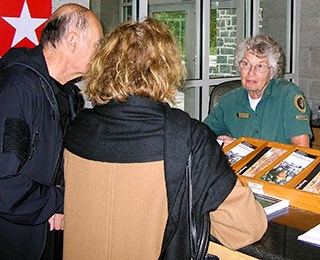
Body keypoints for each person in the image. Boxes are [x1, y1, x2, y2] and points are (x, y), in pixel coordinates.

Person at [63, 18, 267, 259]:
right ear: (167, 68)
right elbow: (247, 228)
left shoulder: (78, 126)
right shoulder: (187, 136)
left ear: (103, 65)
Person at [0, 3, 103, 260]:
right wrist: (58, 201)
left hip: (43, 231)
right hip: (16, 242)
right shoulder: (18, 90)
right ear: (72, 41)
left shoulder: (64, 94)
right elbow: (4, 183)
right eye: (98, 44)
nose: (101, 54)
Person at [204, 35, 312, 148]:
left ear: (272, 72)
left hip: (276, 166)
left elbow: (301, 150)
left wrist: (241, 148)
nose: (251, 72)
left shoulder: (288, 95)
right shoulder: (229, 100)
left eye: (260, 66)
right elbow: (201, 135)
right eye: (246, 64)